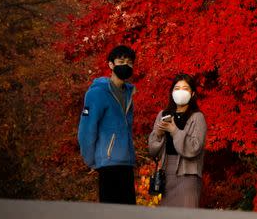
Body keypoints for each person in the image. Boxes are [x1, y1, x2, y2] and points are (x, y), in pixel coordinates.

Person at [77, 45, 137, 204]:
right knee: (111, 216)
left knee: (130, 217)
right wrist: (92, 160)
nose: (126, 65)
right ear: (111, 64)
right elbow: (86, 130)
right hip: (108, 164)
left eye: (130, 63)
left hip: (127, 163)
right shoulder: (97, 93)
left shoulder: (129, 94)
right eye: (121, 61)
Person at [148, 73, 207, 208]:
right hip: (166, 171)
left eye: (185, 88)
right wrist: (158, 133)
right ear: (171, 92)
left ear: (192, 94)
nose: (180, 91)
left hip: (188, 173)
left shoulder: (197, 117)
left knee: (187, 216)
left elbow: (194, 148)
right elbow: (152, 150)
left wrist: (174, 130)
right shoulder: (163, 115)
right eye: (177, 88)